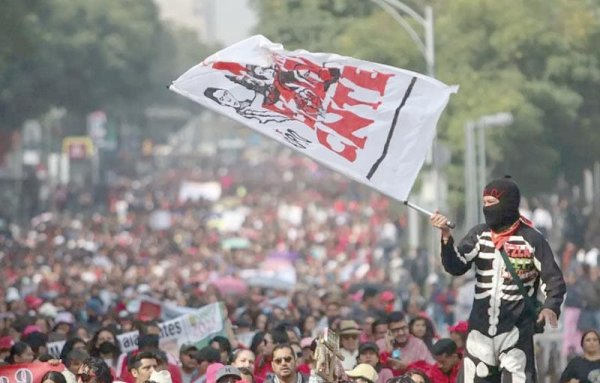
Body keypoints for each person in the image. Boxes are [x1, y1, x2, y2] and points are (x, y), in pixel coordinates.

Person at [430, 176, 567, 381]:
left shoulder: (532, 239)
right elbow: (456, 266)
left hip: (516, 331)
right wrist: (446, 236)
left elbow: (553, 280)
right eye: (484, 203)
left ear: (508, 203)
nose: (487, 208)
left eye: (492, 204)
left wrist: (550, 306)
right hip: (479, 332)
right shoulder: (478, 235)